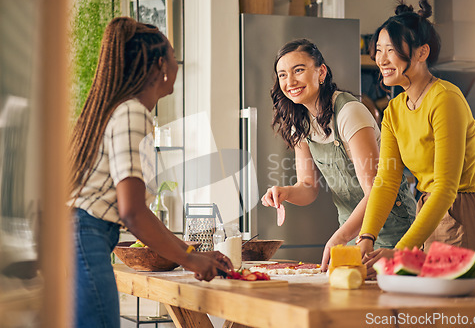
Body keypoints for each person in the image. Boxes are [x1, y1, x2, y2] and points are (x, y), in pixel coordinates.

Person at [69, 17, 233, 328]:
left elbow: (132, 209)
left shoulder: (118, 110)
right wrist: (190, 258)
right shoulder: (132, 112)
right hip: (86, 239)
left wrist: (190, 253)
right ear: (161, 65)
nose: (178, 63)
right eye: (174, 55)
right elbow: (133, 212)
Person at [357, 0, 475, 287]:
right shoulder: (394, 111)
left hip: (461, 213)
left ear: (422, 53)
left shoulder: (445, 99)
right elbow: (386, 180)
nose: (381, 60)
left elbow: (445, 188)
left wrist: (398, 251)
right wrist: (366, 237)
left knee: (461, 316)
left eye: (391, 51)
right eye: (378, 50)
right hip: (427, 217)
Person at [260, 39, 416, 272]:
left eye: (298, 70)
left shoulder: (349, 113)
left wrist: (339, 237)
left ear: (321, 72)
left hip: (393, 232)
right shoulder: (300, 122)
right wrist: (286, 193)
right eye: (282, 75)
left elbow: (375, 190)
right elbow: (308, 186)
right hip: (352, 235)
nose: (290, 81)